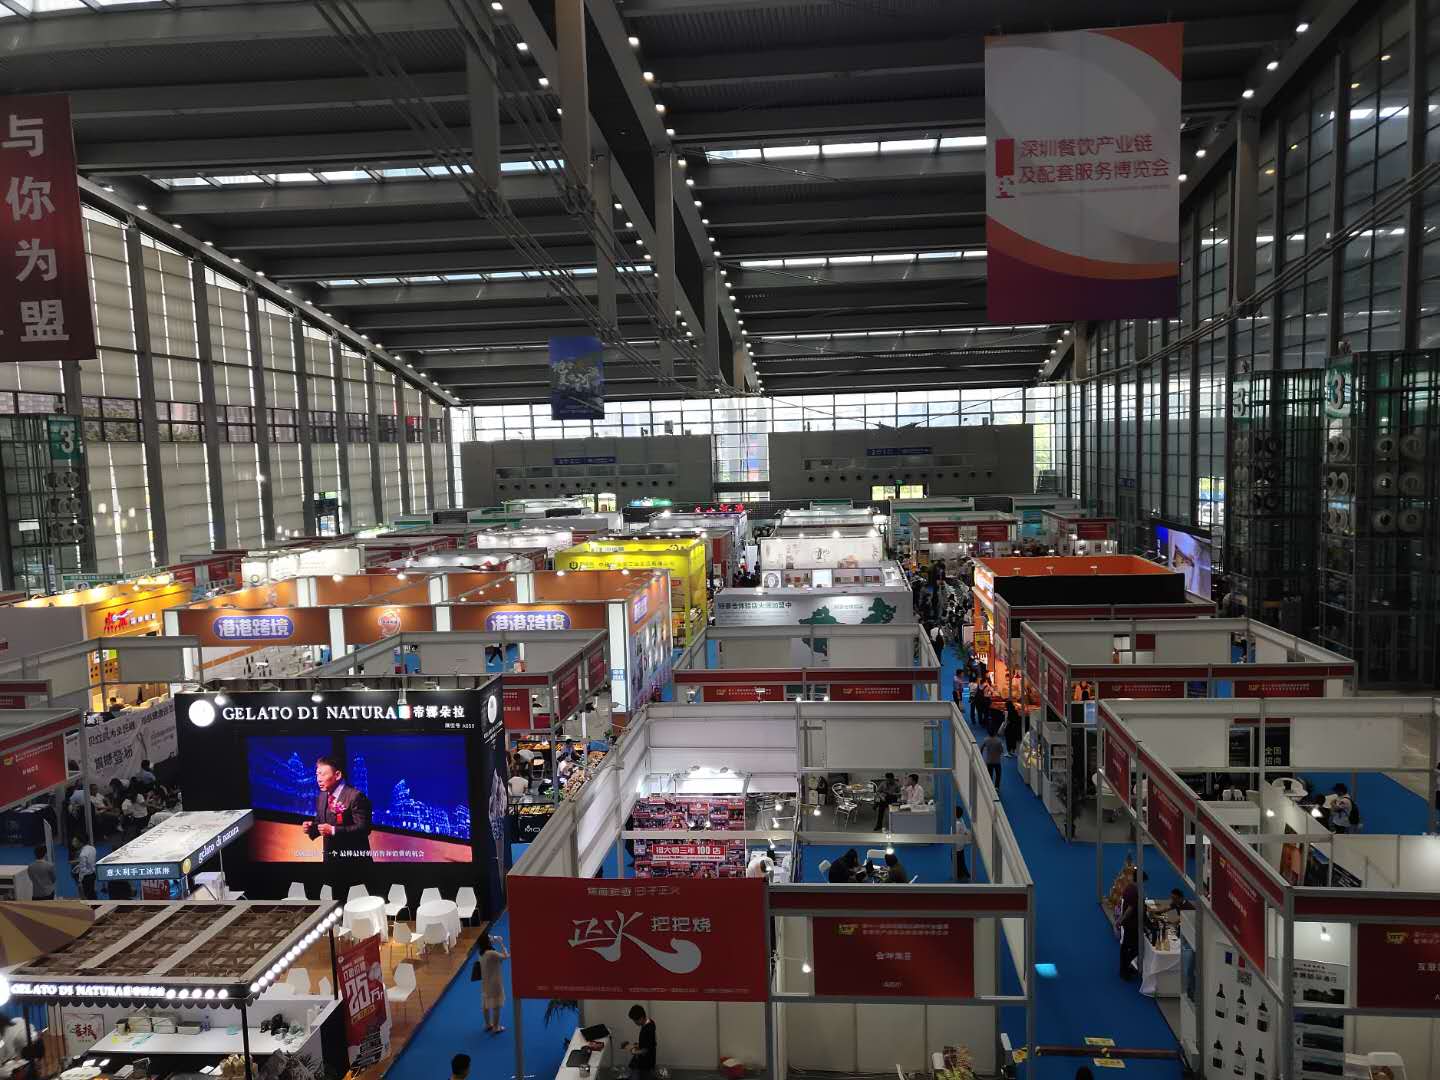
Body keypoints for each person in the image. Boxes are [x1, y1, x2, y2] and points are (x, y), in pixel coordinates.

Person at [303, 755, 373, 860]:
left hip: (354, 861)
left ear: (338, 775)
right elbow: (321, 822)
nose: (319, 779)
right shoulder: (322, 796)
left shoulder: (356, 796)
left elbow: (364, 828)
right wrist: (312, 827)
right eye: (317, 774)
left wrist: (333, 830)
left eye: (323, 774)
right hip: (330, 858)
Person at [477, 932, 509, 1033]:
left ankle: (487, 1024)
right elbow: (505, 956)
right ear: (487, 941)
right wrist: (501, 943)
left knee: (485, 1005)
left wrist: (493, 940)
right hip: (495, 983)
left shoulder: (481, 953)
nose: (492, 937)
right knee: (496, 1006)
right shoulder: (492, 953)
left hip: (485, 983)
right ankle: (496, 1027)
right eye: (490, 937)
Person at [1117, 866, 1141, 980]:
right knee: (1134, 948)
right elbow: (1130, 909)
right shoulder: (1135, 891)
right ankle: (1124, 969)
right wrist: (1120, 920)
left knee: (1125, 947)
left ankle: (1124, 967)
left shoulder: (1129, 887)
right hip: (1131, 924)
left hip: (1128, 923)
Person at [623, 1004, 657, 1080]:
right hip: (648, 1059)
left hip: (647, 1062)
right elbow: (648, 1043)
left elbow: (646, 1050)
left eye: (635, 1020)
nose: (635, 1022)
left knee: (641, 1076)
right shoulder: (650, 1022)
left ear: (641, 1018)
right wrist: (635, 1045)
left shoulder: (647, 1029)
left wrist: (633, 1051)